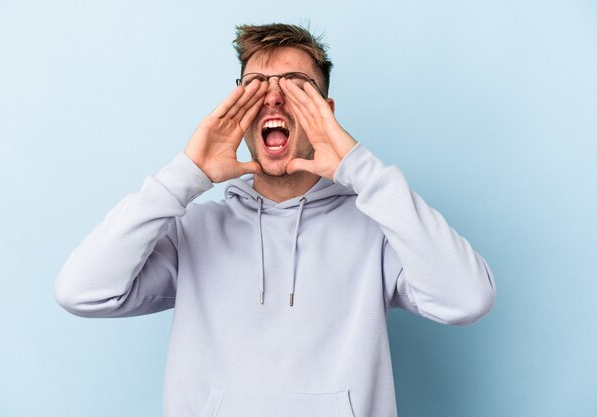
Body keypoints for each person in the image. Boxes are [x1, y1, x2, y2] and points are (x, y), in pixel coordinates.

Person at [55, 23, 495, 417]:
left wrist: (360, 168)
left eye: (298, 86)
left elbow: (467, 299)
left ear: (326, 110)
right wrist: (186, 174)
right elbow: (81, 292)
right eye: (255, 85)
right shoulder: (191, 231)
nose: (273, 96)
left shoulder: (378, 230)